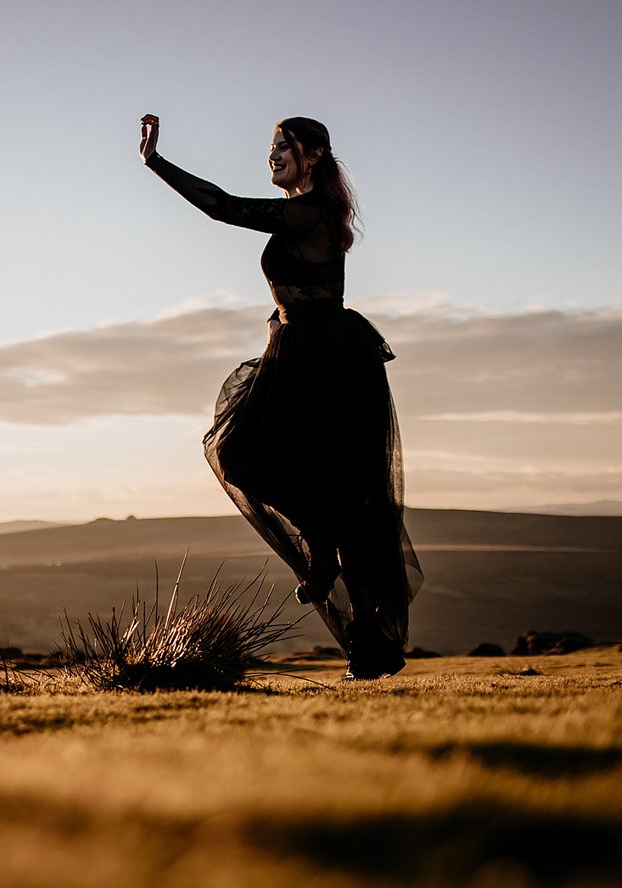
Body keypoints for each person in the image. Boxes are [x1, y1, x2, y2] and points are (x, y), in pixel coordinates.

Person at [140, 113, 422, 679]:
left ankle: (368, 642)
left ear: (313, 154)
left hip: (330, 360)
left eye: (282, 146)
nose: (272, 154)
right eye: (270, 146)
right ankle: (322, 556)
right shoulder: (304, 211)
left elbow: (225, 207)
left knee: (344, 500)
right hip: (296, 351)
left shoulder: (310, 211)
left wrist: (155, 163)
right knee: (249, 456)